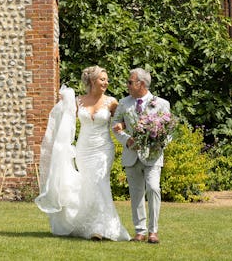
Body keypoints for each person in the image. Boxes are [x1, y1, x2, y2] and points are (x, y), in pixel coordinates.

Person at [36, 66, 130, 241]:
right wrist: (64, 101)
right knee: (88, 185)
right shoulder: (78, 101)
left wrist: (122, 127)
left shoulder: (112, 102)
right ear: (92, 81)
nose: (106, 82)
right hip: (83, 150)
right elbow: (64, 117)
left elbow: (123, 122)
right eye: (102, 79)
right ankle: (89, 224)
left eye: (106, 79)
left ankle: (102, 228)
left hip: (103, 149)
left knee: (100, 183)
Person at [112, 67, 171, 244]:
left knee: (153, 188)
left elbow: (169, 131)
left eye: (130, 82)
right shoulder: (124, 103)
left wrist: (160, 143)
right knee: (136, 193)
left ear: (142, 84)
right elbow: (115, 124)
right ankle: (140, 231)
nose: (127, 85)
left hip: (153, 155)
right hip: (131, 155)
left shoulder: (161, 103)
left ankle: (153, 231)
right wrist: (126, 140)